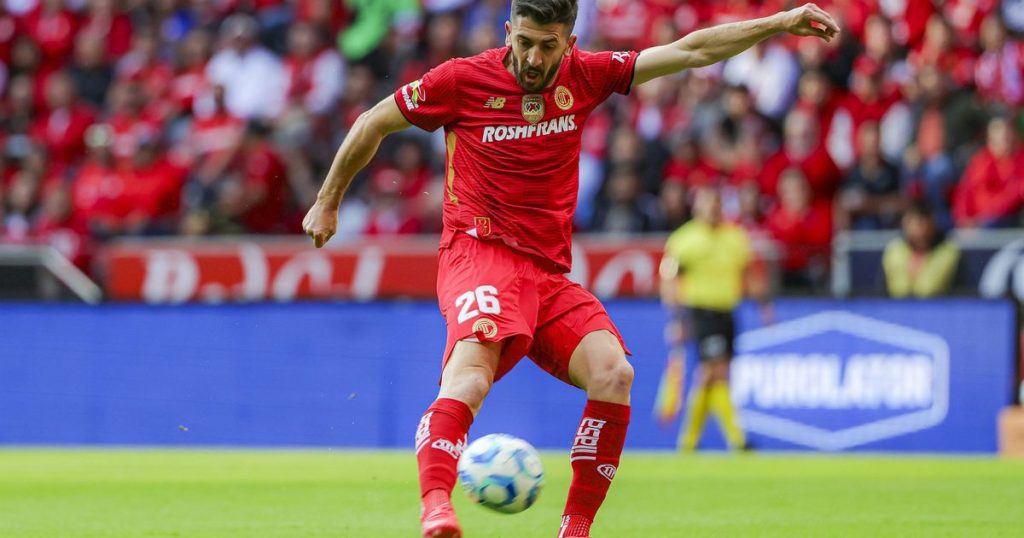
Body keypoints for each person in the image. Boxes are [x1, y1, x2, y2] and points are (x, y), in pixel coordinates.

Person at [301, 2, 839, 537]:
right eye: (524, 43)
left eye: (548, 46)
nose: (534, 59)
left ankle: (574, 530)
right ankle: (437, 508)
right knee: (472, 374)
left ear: (570, 42)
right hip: (479, 250)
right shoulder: (461, 80)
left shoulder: (587, 75)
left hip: (547, 272)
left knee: (614, 373)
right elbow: (374, 121)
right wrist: (328, 201)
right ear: (508, 32)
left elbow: (692, 50)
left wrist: (777, 22)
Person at [660, 187, 770, 452]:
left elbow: (748, 272)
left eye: (715, 204)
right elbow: (669, 280)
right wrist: (676, 318)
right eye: (706, 204)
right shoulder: (684, 239)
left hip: (727, 311)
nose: (711, 209)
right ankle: (733, 439)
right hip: (701, 311)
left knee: (717, 375)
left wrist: (764, 305)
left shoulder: (735, 237)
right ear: (696, 207)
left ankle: (690, 442)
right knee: (713, 371)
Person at [883, 200, 961, 298]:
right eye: (910, 222)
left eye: (920, 222)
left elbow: (930, 289)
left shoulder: (948, 251)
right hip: (896, 305)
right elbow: (885, 290)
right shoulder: (894, 250)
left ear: (932, 223)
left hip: (937, 305)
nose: (916, 228)